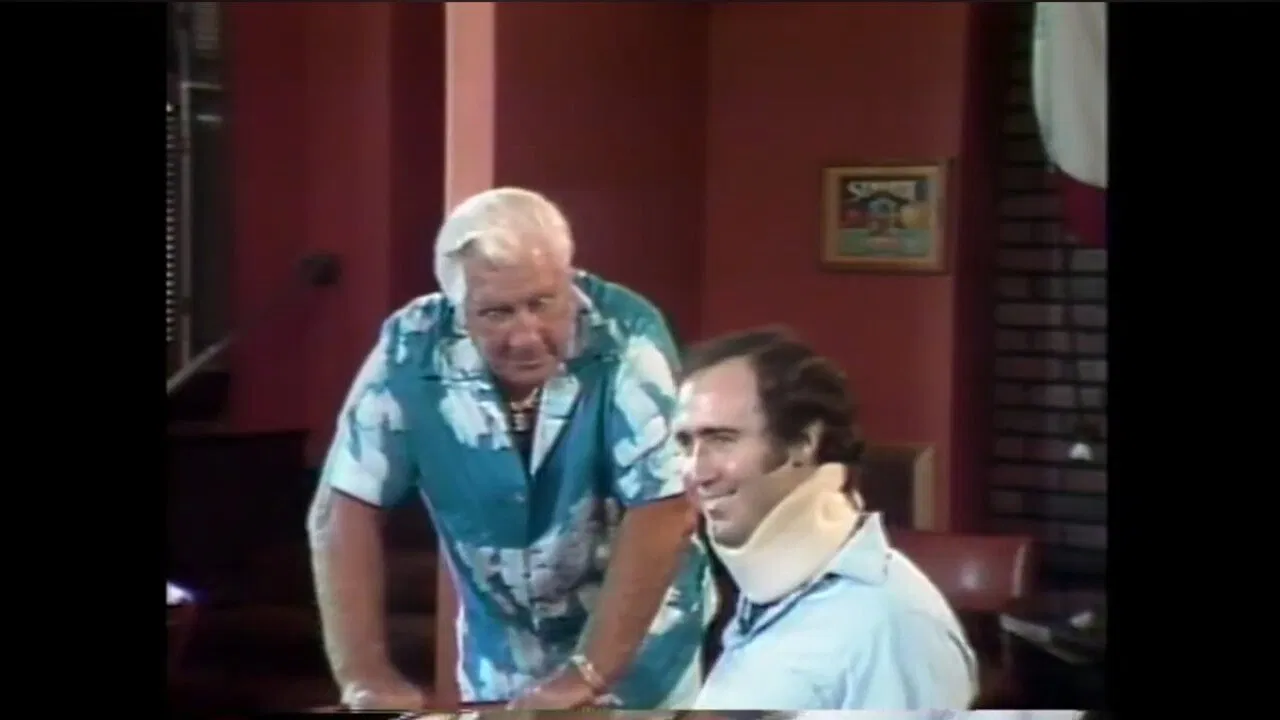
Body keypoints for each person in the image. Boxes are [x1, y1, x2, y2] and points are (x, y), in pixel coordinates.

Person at [306, 187, 714, 711]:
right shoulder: (413, 346)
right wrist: (364, 674)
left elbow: (665, 507)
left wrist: (586, 673)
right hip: (499, 655)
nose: (525, 336)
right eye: (496, 313)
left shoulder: (626, 335)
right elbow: (342, 506)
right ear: (459, 309)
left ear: (569, 278)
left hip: (641, 653)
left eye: (542, 304)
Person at [673, 327, 977, 710]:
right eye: (685, 443)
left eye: (722, 439)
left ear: (803, 442)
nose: (696, 472)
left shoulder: (892, 624)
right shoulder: (768, 599)